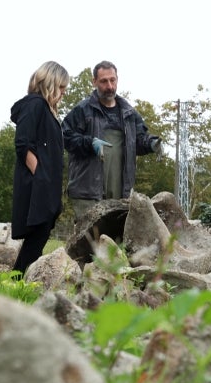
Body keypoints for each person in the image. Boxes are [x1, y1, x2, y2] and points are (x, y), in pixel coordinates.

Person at [62, 61, 164, 221]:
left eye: (112, 80)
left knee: (115, 242)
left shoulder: (129, 114)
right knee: (90, 241)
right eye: (104, 81)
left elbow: (138, 141)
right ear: (94, 81)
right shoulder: (82, 110)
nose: (109, 86)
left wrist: (152, 143)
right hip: (88, 192)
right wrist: (89, 143)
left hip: (120, 192)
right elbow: (65, 137)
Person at [10, 61, 69, 276]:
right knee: (37, 235)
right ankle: (15, 281)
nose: (63, 93)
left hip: (45, 185)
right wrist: (41, 177)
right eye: (61, 88)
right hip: (37, 185)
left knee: (39, 236)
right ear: (51, 83)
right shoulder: (34, 104)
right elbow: (23, 144)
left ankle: (17, 280)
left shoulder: (47, 110)